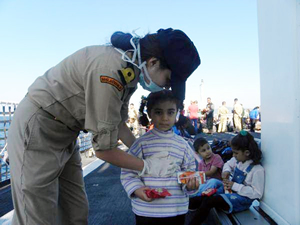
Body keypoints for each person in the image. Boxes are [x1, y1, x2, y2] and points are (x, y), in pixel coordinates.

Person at [7, 28, 200, 225]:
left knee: (75, 211)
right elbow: (104, 150)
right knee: (36, 216)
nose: (167, 87)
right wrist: (149, 166)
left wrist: (143, 150)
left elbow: (117, 123)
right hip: (40, 128)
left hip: (67, 134)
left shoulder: (130, 71)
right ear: (152, 63)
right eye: (168, 80)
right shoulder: (111, 72)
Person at [121, 90, 199, 225]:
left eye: (170, 112)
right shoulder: (140, 144)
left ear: (177, 113)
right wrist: (137, 189)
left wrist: (191, 185)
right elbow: (128, 172)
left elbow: (189, 172)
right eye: (158, 112)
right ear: (150, 113)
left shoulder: (183, 145)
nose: (164, 118)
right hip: (146, 210)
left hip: (176, 210)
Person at [189, 130, 264, 225]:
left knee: (211, 200)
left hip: (242, 200)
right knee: (208, 194)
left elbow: (257, 194)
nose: (233, 155)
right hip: (230, 191)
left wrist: (234, 185)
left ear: (247, 153)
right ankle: (191, 204)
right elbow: (227, 164)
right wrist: (226, 171)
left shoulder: (257, 170)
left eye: (236, 153)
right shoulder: (238, 160)